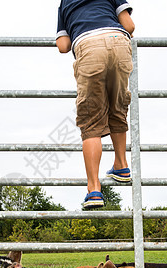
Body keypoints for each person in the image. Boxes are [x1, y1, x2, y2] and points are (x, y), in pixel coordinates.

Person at [56, 0, 135, 209]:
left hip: (89, 46)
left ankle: (94, 190)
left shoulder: (65, 2)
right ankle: (122, 166)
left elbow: (63, 46)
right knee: (117, 106)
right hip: (118, 40)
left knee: (91, 121)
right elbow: (129, 26)